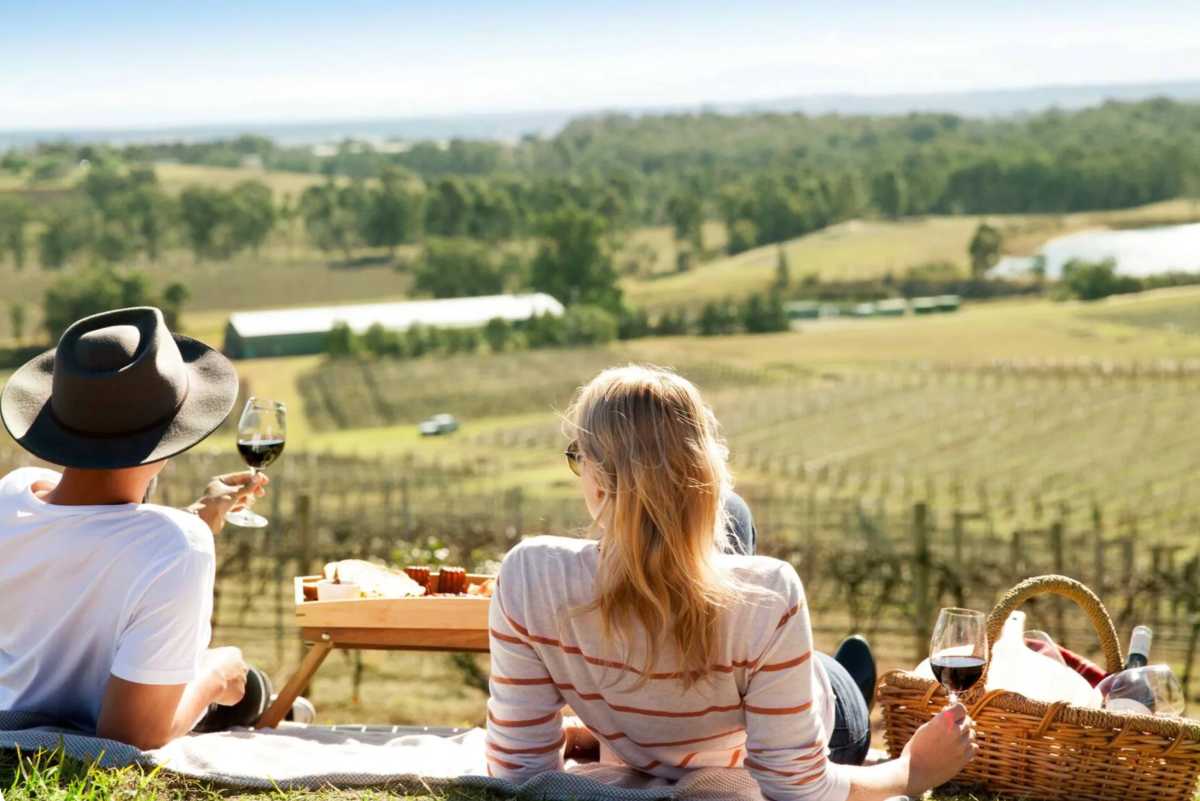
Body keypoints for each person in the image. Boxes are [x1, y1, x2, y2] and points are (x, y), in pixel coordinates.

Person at [486, 365, 976, 801]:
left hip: (712, 704)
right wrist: (912, 770)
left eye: (578, 457)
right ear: (707, 475)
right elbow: (800, 787)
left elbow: (518, 772)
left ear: (596, 482)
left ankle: (838, 674)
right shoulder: (771, 591)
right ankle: (849, 680)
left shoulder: (528, 575)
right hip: (820, 722)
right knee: (742, 536)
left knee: (735, 538)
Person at [0, 306, 289, 749]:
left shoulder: (12, 494)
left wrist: (194, 517)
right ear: (172, 435)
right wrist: (216, 673)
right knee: (243, 684)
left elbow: (83, 538)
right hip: (84, 731)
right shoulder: (176, 547)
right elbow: (132, 734)